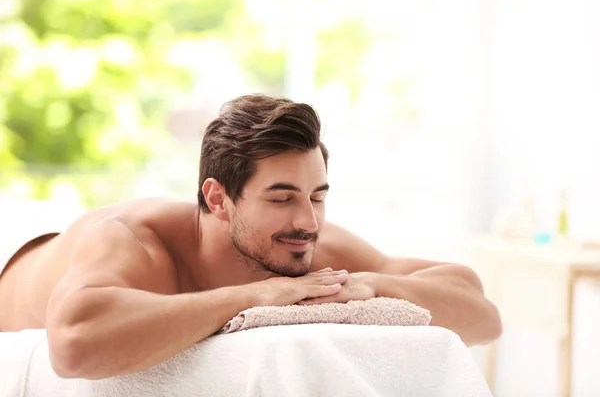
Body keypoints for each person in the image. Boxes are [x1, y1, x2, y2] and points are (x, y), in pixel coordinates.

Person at [0, 94, 502, 380]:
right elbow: (73, 346)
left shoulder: (301, 242)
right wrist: (257, 296)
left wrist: (373, 285)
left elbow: (481, 314)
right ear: (217, 199)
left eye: (318, 195)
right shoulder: (134, 241)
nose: (308, 220)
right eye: (281, 198)